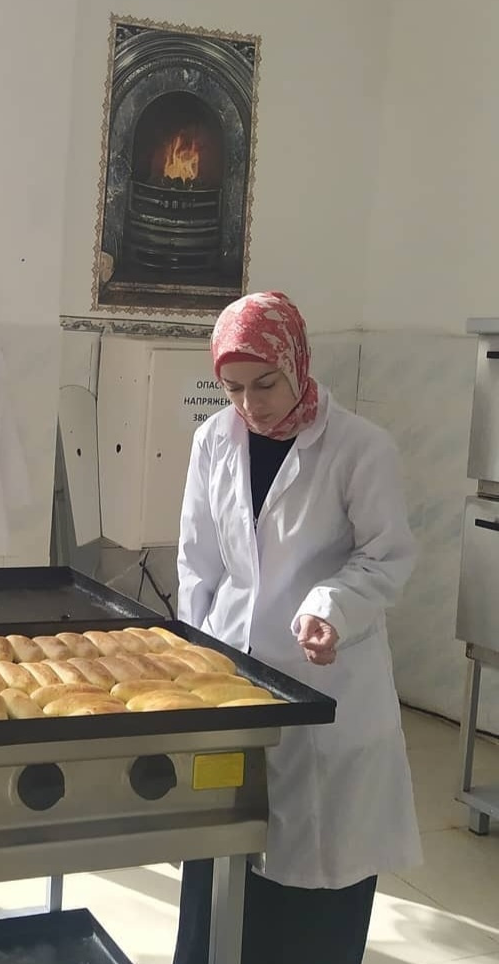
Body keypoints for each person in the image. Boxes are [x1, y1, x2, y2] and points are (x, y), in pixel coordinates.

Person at [173, 291, 420, 964]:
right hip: (230, 681)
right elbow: (197, 559)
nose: (250, 404)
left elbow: (386, 557)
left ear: (298, 363)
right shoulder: (213, 440)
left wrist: (329, 607)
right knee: (221, 859)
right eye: (232, 388)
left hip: (326, 681)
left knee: (315, 872)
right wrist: (190, 657)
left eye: (265, 383)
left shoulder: (360, 448)